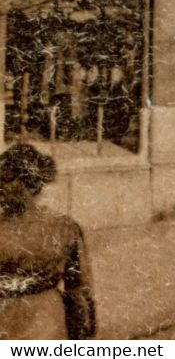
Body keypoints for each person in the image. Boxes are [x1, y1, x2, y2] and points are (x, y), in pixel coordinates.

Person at [0, 145, 94, 339]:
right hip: (48, 322)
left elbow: (78, 290)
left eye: (5, 179)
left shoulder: (63, 227)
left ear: (26, 183)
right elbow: (80, 291)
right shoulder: (64, 226)